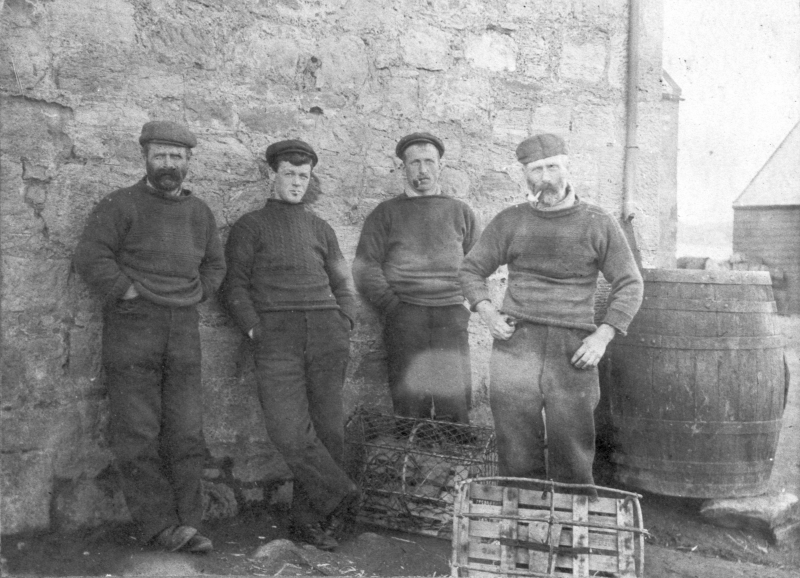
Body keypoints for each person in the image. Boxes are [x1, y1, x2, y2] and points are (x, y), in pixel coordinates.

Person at [74, 121, 226, 553]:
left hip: (183, 328)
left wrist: (198, 293)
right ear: (144, 157)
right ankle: (159, 525)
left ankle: (190, 523)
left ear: (188, 162)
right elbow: (90, 255)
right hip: (132, 326)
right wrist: (128, 291)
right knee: (137, 430)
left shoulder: (200, 214)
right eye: (160, 155)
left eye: (177, 157)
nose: (168, 164)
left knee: (186, 429)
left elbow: (215, 266)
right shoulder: (120, 205)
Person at [459, 133, 643, 488]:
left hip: (574, 349)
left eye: (553, 167)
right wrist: (488, 313)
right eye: (536, 170)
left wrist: (602, 337)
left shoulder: (598, 222)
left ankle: (570, 533)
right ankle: (522, 529)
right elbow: (470, 269)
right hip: (517, 345)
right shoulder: (511, 220)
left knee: (572, 448)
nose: (546, 177)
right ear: (524, 175)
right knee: (515, 448)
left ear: (567, 167)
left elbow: (630, 283)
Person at [221, 139, 359, 551]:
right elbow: (234, 287)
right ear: (272, 176)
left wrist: (344, 321)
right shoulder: (250, 226)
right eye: (289, 174)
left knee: (329, 431)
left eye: (303, 175)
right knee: (288, 431)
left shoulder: (321, 229)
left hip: (325, 332)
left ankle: (308, 523)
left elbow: (342, 284)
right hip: (275, 335)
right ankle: (342, 492)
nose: (297, 182)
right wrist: (254, 330)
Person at [353, 132, 479, 424]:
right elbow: (365, 266)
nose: (422, 170)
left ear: (440, 167)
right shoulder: (385, 213)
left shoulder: (460, 211)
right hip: (405, 313)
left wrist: (468, 304)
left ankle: (455, 457)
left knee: (454, 397)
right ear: (403, 168)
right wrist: (392, 306)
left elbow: (477, 265)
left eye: (429, 162)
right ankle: (413, 458)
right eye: (414, 163)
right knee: (410, 398)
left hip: (450, 312)